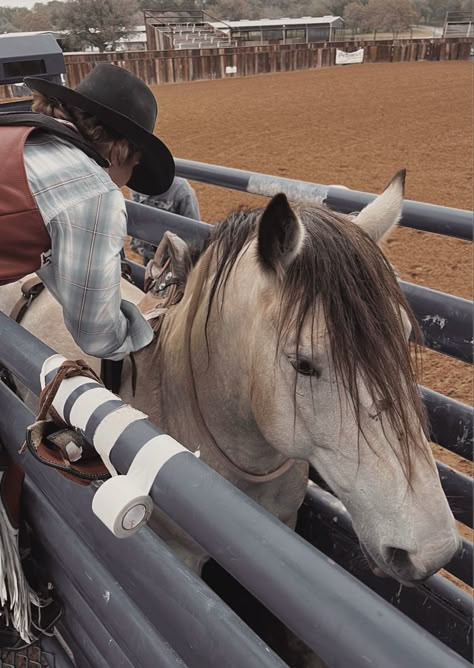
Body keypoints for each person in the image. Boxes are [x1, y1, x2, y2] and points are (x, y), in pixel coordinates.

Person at [0, 63, 175, 360]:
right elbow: (99, 336)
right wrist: (144, 330)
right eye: (135, 165)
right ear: (121, 150)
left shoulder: (18, 134)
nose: (129, 178)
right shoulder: (91, 191)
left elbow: (62, 275)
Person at [130, 177, 201, 264]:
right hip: (150, 255)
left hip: (173, 262)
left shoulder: (181, 189)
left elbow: (194, 234)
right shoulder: (138, 183)